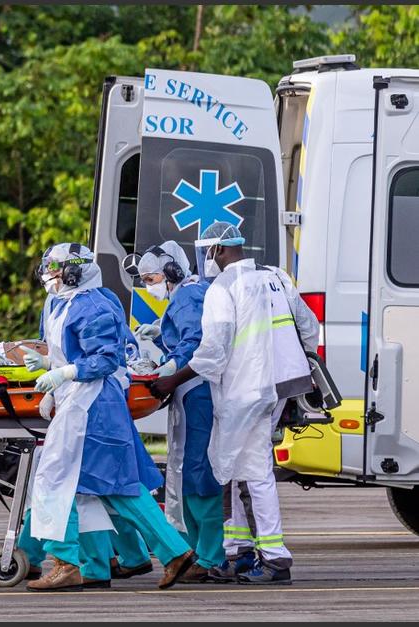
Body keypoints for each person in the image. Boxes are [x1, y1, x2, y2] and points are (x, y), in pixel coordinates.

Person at [19, 242, 194, 592]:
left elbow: (105, 359)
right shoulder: (59, 301)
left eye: (55, 269)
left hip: (93, 403)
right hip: (81, 400)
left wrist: (62, 375)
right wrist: (52, 375)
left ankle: (66, 562)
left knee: (57, 479)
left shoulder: (95, 305)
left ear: (73, 271)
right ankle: (108, 562)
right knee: (104, 485)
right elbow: (61, 350)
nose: (49, 275)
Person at [150, 222, 319, 585]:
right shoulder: (275, 276)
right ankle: (239, 551)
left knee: (242, 469)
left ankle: (274, 559)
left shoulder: (223, 288)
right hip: (278, 386)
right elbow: (308, 325)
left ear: (217, 251)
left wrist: (171, 380)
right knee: (241, 469)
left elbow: (212, 352)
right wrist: (302, 362)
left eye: (206, 253)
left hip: (244, 391)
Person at [131, 241, 224, 583]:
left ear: (172, 272)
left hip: (198, 392)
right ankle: (194, 549)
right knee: (188, 467)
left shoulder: (186, 296)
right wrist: (160, 336)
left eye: (152, 278)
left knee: (199, 470)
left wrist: (169, 370)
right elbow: (183, 338)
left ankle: (209, 554)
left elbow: (195, 342)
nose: (149, 286)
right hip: (194, 391)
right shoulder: (189, 293)